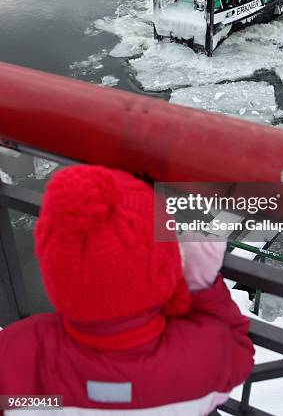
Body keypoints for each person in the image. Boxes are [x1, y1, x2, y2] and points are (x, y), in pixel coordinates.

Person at [0, 165, 254, 415]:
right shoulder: (201, 361)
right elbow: (239, 351)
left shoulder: (17, 352)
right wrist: (202, 287)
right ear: (166, 268)